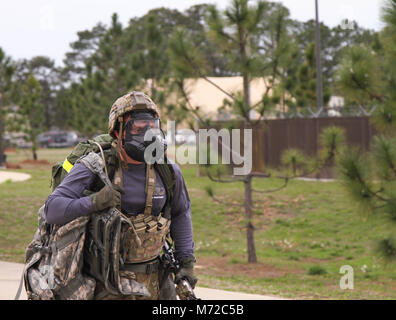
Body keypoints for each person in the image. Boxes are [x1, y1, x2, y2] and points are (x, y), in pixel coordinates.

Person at [44, 91, 197, 300]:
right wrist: (95, 201)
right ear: (117, 131)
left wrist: (186, 262)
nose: (148, 133)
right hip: (107, 284)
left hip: (156, 283)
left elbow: (181, 213)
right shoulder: (96, 166)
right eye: (138, 126)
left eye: (152, 125)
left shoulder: (167, 170)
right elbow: (52, 210)